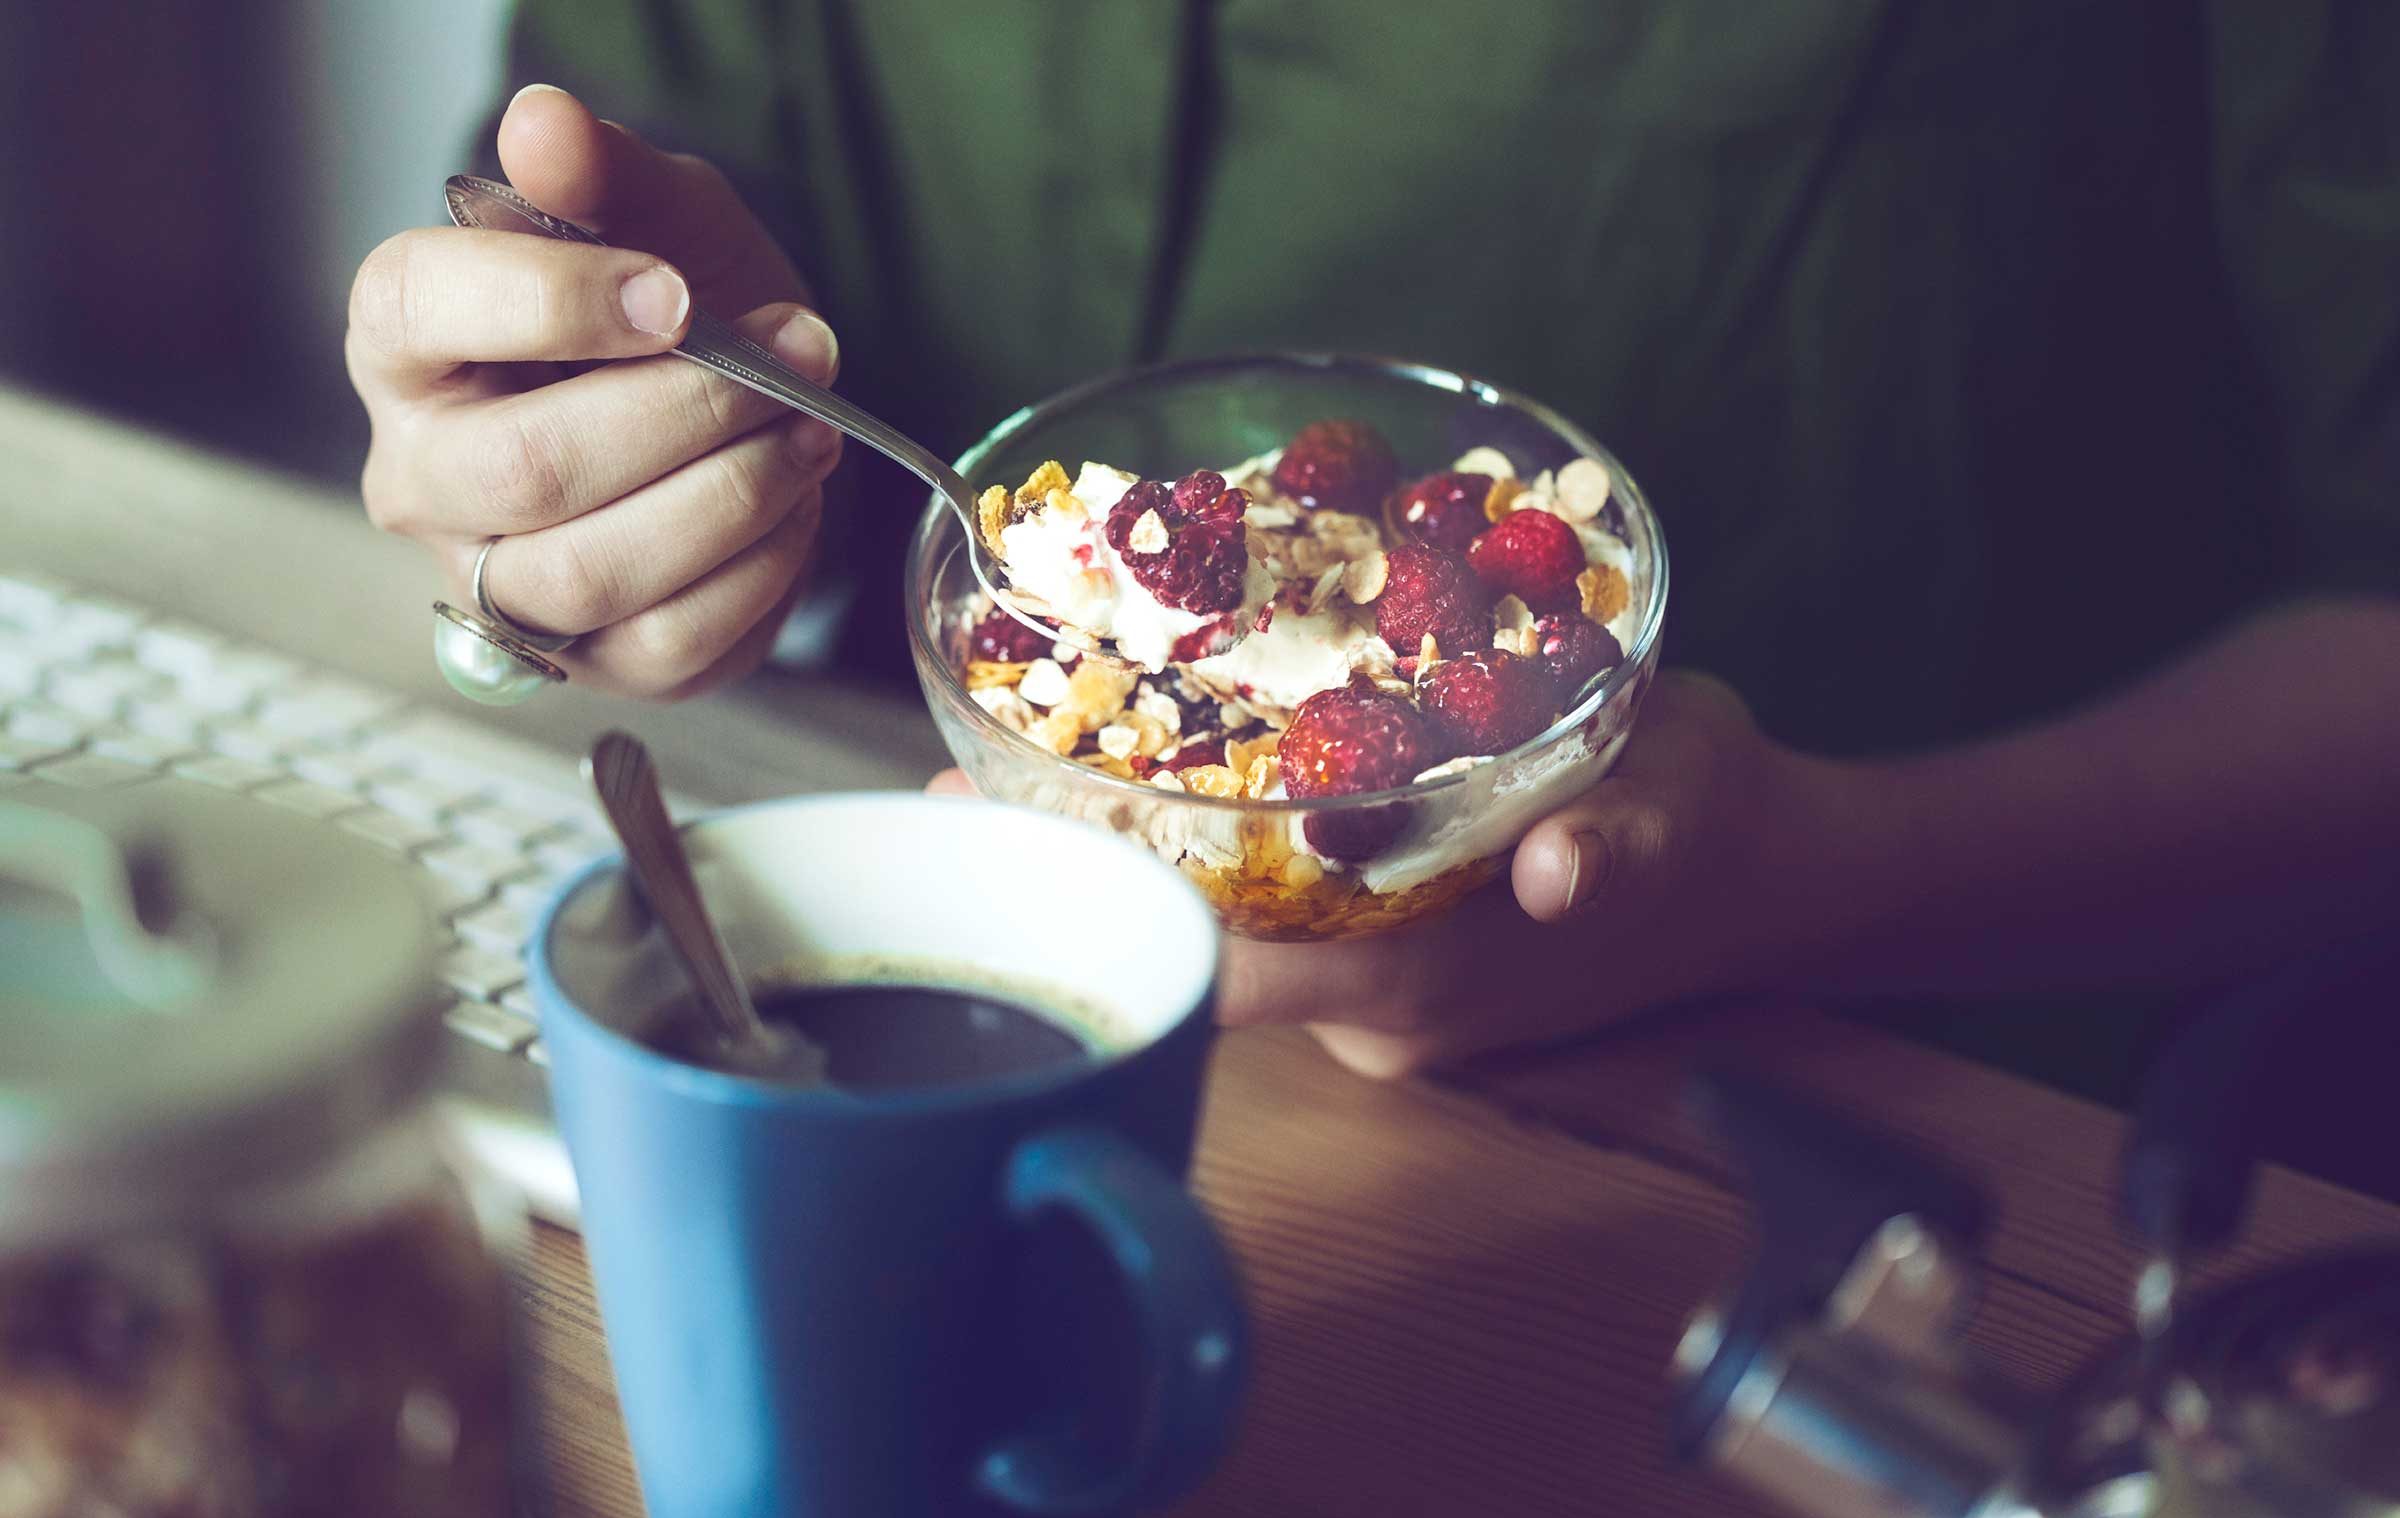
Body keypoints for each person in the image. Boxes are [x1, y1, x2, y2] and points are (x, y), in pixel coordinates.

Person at [346, 5, 2400, 1097]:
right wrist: (564, 499)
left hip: (1908, 1132)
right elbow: (627, 244)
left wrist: (1822, 871)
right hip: (963, 1023)